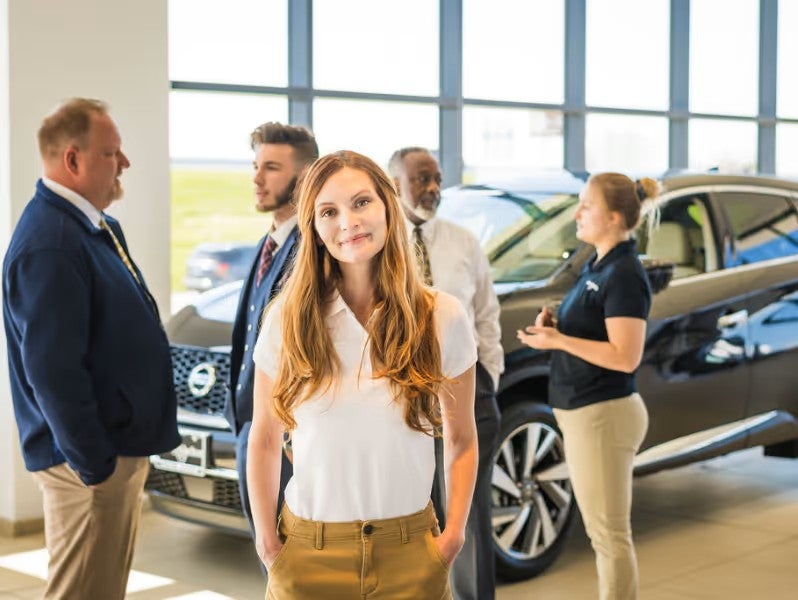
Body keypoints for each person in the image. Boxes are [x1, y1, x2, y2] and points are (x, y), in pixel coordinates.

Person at [247, 150, 479, 599]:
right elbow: (264, 438)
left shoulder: (440, 316)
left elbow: (462, 439)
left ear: (388, 206)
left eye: (361, 202)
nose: (348, 222)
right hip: (308, 554)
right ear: (314, 228)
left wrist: (453, 534)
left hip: (410, 553)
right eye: (328, 211)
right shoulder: (288, 319)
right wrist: (268, 543)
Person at [2, 98, 179, 600]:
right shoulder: (52, 244)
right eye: (111, 153)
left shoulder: (91, 227)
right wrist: (95, 464)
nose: (124, 163)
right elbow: (53, 372)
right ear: (72, 160)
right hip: (87, 467)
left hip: (107, 457)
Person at [517, 172, 656, 600]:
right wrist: (558, 326)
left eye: (587, 206)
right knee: (604, 532)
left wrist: (558, 341)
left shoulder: (624, 273)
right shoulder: (598, 264)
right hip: (585, 412)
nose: (577, 213)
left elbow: (625, 355)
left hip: (603, 415)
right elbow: (597, 329)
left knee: (608, 534)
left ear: (614, 217)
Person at [389, 146, 503, 600]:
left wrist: (488, 376)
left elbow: (487, 316)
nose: (433, 187)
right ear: (395, 183)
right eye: (421, 178)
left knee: (468, 515)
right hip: (402, 404)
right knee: (413, 514)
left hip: (465, 396)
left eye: (436, 177)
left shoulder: (463, 242)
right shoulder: (379, 246)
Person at [223, 122, 319, 562]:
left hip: (287, 440)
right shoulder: (269, 243)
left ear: (304, 177)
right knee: (273, 564)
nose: (257, 179)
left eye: (272, 168)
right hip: (253, 428)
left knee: (293, 566)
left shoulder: (312, 250)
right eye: (256, 166)